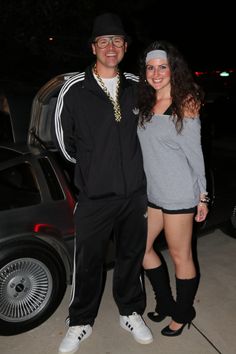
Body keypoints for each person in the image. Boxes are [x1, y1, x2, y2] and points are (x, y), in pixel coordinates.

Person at [54, 12, 153, 354]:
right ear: (93, 46)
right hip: (95, 196)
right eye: (104, 41)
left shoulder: (139, 86)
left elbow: (156, 132)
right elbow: (63, 143)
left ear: (125, 46)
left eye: (117, 41)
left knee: (131, 256)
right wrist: (92, 170)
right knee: (88, 262)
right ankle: (80, 321)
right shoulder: (75, 88)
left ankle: (130, 311)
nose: (111, 47)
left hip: (135, 196)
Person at [137, 40, 209, 337]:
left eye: (162, 67)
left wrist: (201, 195)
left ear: (172, 69)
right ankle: (165, 301)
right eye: (150, 68)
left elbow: (195, 153)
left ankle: (183, 311)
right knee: (139, 248)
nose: (156, 73)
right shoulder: (145, 104)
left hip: (179, 193)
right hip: (153, 194)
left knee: (181, 256)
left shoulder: (186, 102)